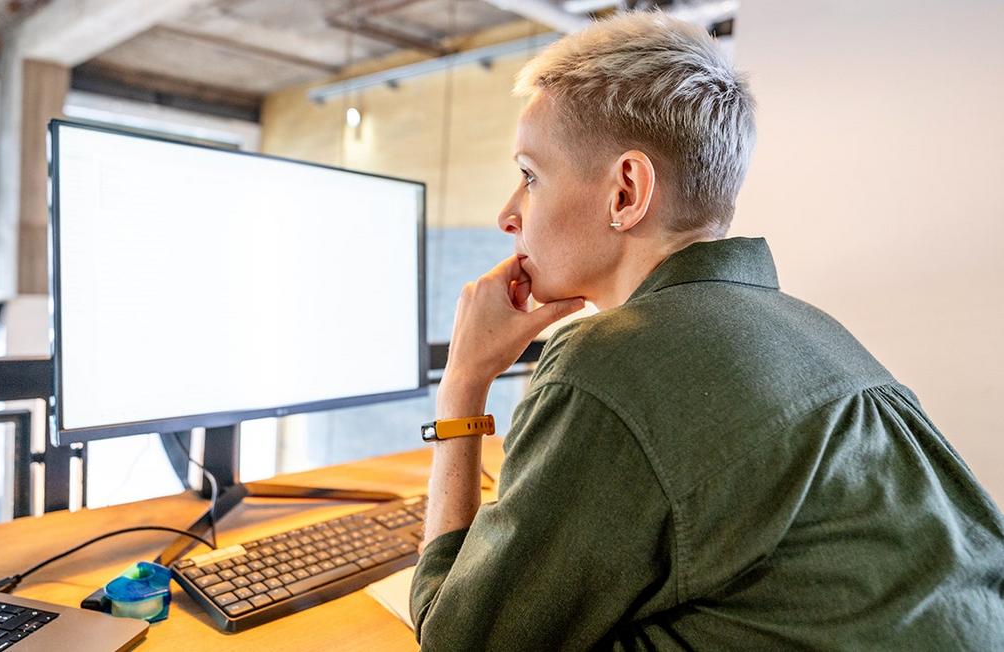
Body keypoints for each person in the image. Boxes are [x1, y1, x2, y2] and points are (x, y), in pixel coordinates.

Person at [410, 11, 1004, 651]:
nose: (507, 215)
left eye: (530, 175)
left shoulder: (611, 362)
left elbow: (460, 641)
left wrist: (464, 385)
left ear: (626, 192)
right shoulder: (818, 333)